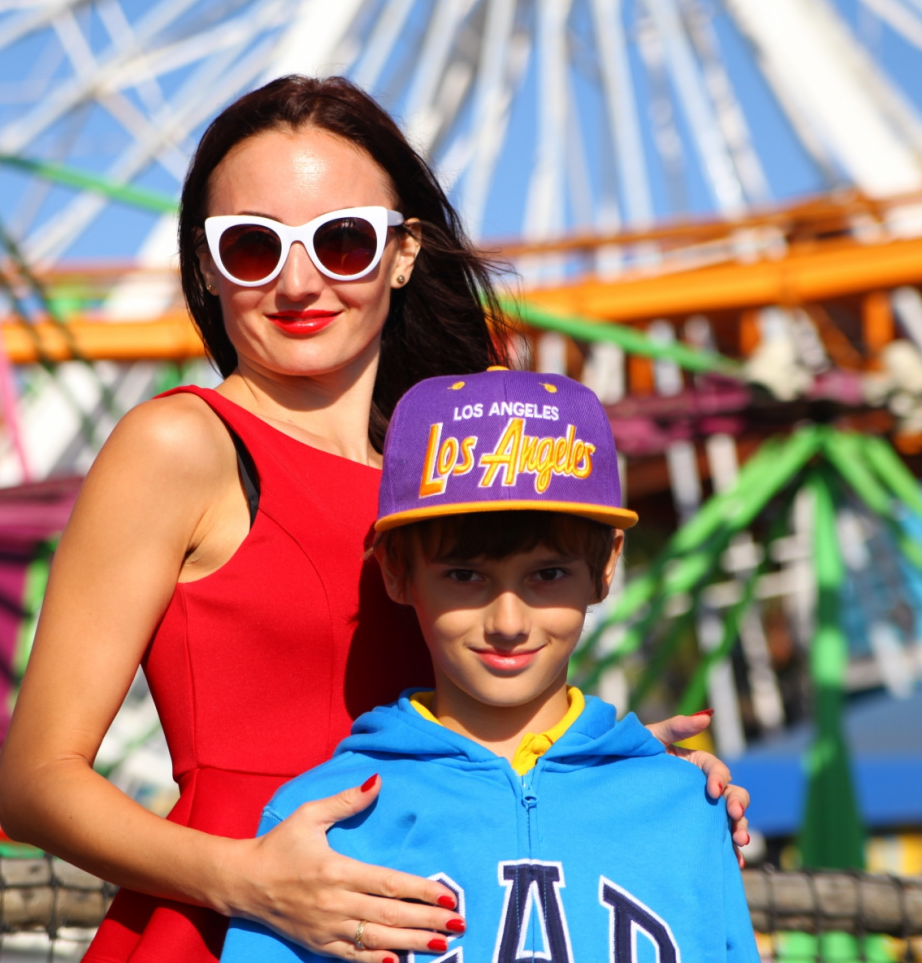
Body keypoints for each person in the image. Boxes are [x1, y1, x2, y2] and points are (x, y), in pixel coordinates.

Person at [0, 75, 751, 963]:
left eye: (342, 241)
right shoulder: (182, 445)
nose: (298, 282)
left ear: (401, 253)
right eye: (251, 248)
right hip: (228, 921)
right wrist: (248, 880)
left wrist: (601, 776)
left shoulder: (441, 473)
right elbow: (34, 780)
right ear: (205, 265)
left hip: (430, 913)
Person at [219, 368, 759, 963]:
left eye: (547, 574)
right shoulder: (326, 819)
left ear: (607, 565)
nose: (508, 620)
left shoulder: (685, 806)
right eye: (465, 576)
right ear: (397, 569)